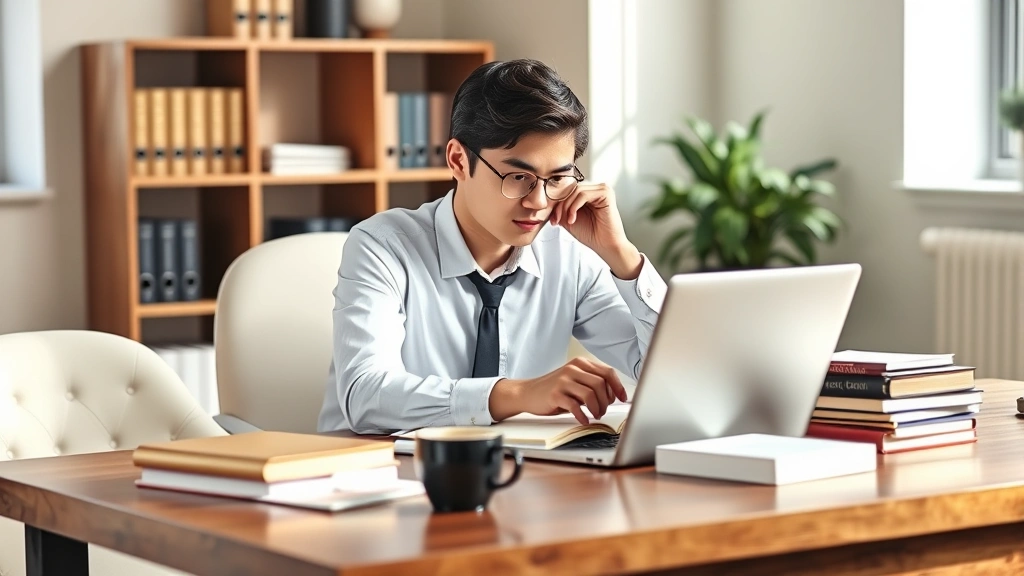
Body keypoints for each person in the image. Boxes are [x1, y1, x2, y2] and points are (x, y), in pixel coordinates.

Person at [317, 58, 666, 434]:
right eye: (518, 176)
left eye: (558, 178)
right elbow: (365, 396)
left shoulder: (568, 253)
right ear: (457, 160)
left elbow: (667, 374)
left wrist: (622, 255)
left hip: (517, 473)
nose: (539, 200)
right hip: (378, 472)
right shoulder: (382, 247)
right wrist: (518, 395)